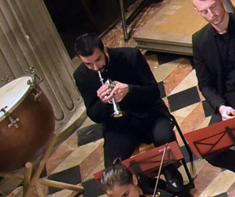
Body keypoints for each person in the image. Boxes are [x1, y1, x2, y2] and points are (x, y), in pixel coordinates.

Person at [74, 34, 174, 165]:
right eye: (88, 64)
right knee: (113, 165)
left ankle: (171, 171)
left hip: (150, 113)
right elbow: (94, 115)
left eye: (98, 59)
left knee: (165, 138)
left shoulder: (131, 56)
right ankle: (142, 183)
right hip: (119, 125)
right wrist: (103, 102)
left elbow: (154, 92)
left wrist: (129, 90)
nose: (96, 67)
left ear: (105, 49)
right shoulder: (81, 76)